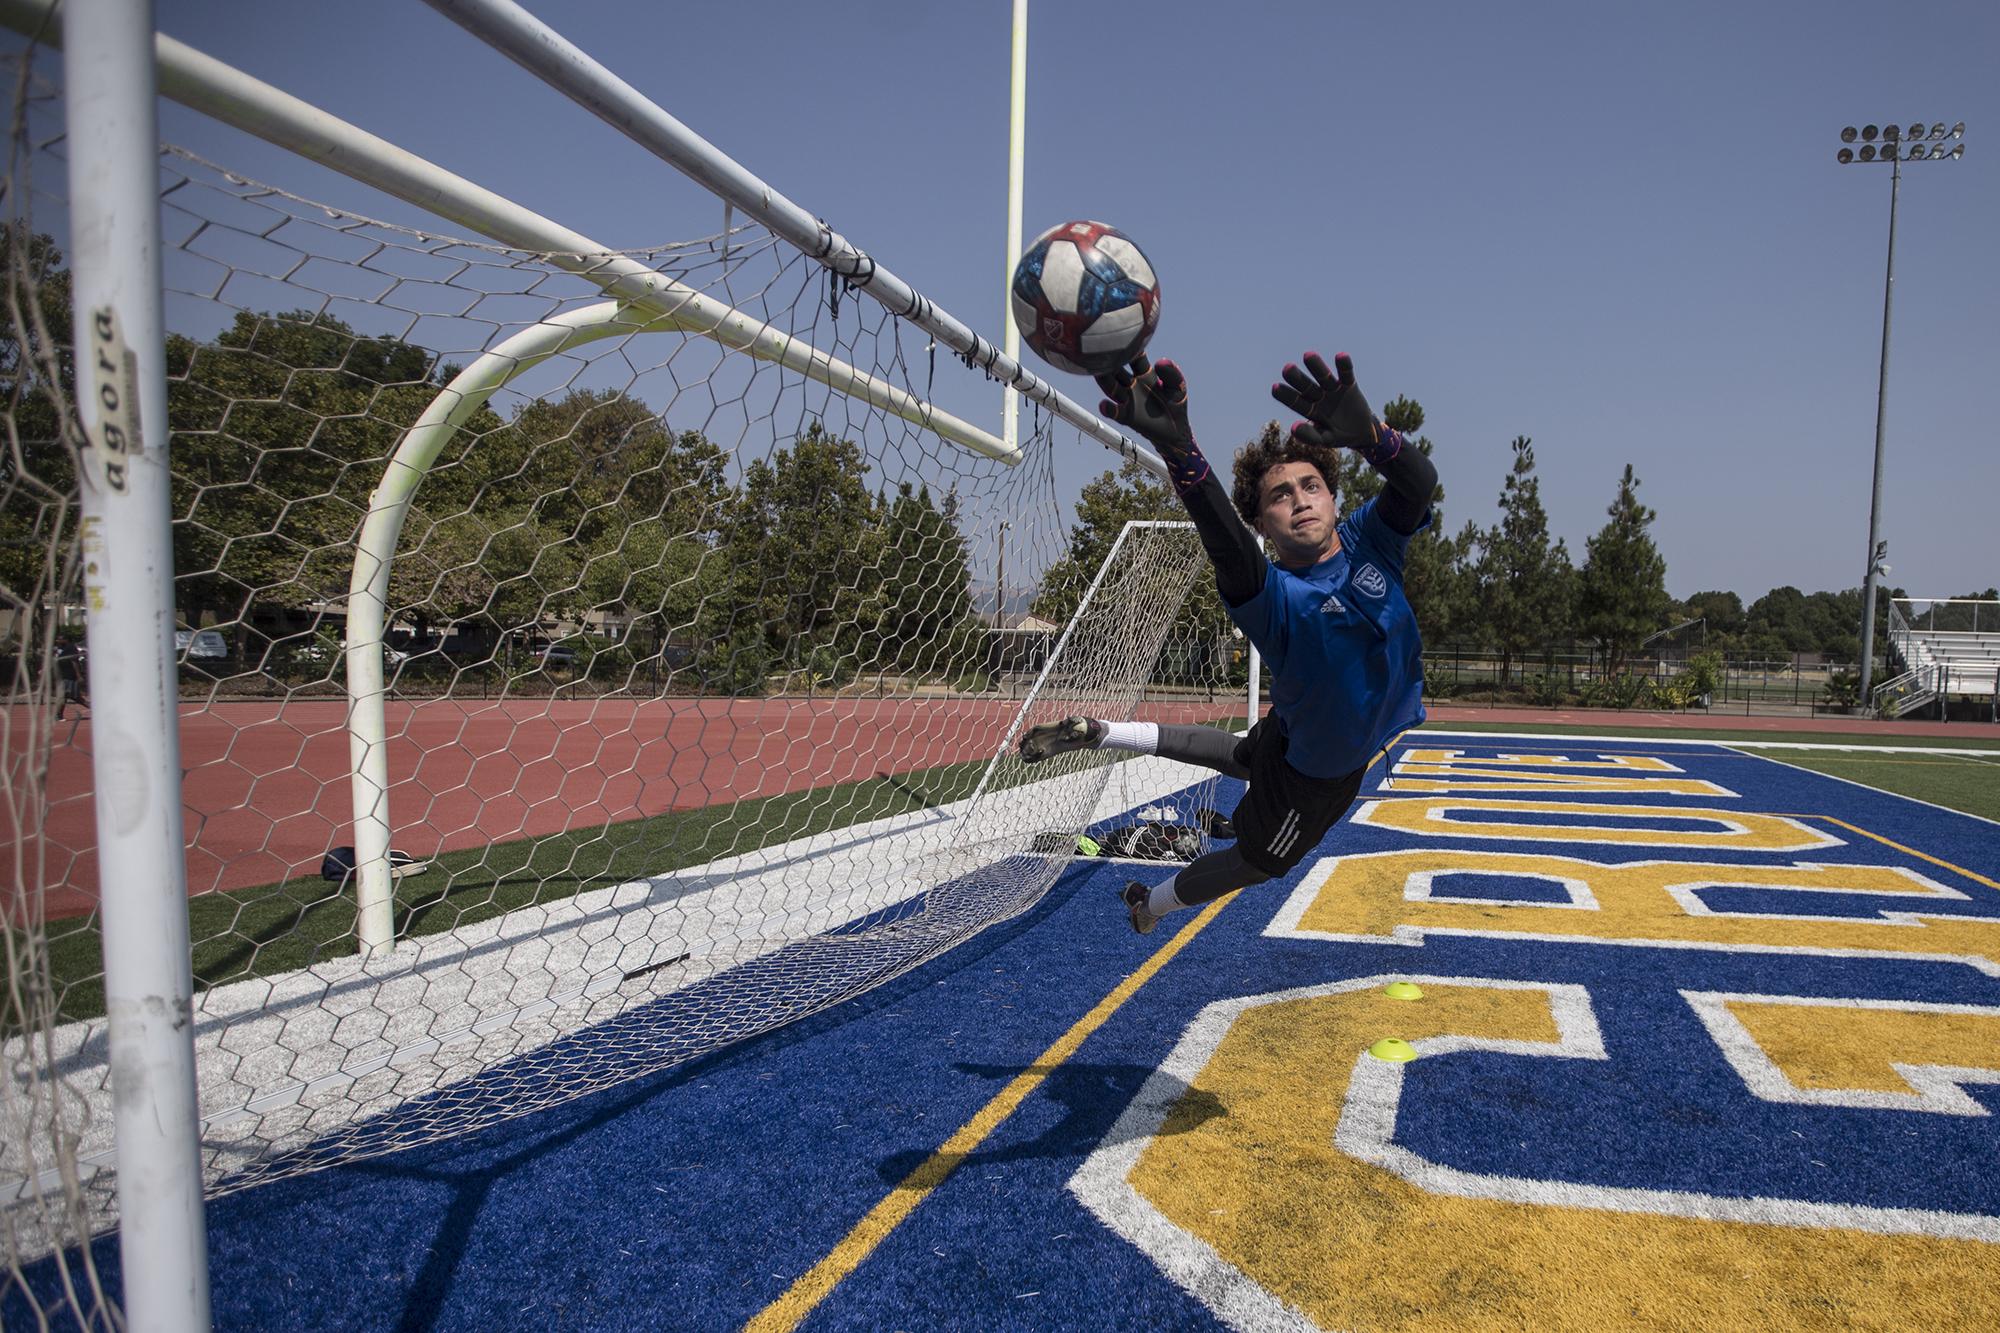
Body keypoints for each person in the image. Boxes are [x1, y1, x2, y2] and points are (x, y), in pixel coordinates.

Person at [1018, 350, 1437, 934]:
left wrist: (1371, 435)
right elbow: (1227, 546)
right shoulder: (1276, 597)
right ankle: (1151, 904)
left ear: (1334, 498)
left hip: (1297, 731)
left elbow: (1418, 485)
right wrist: (1182, 452)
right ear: (1261, 524)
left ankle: (1108, 733)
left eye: (1310, 484)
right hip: (1313, 778)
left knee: (1243, 755)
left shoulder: (1371, 540)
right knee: (1257, 862)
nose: (1299, 498)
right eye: (1279, 496)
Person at [54, 637, 88, 720]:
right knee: (67, 697)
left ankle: (58, 715)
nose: (58, 641)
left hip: (69, 676)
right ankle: (58, 715)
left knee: (74, 697)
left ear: (66, 639)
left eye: (60, 639)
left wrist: (78, 675)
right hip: (62, 676)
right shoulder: (60, 649)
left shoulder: (70, 648)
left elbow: (74, 662)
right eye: (57, 639)